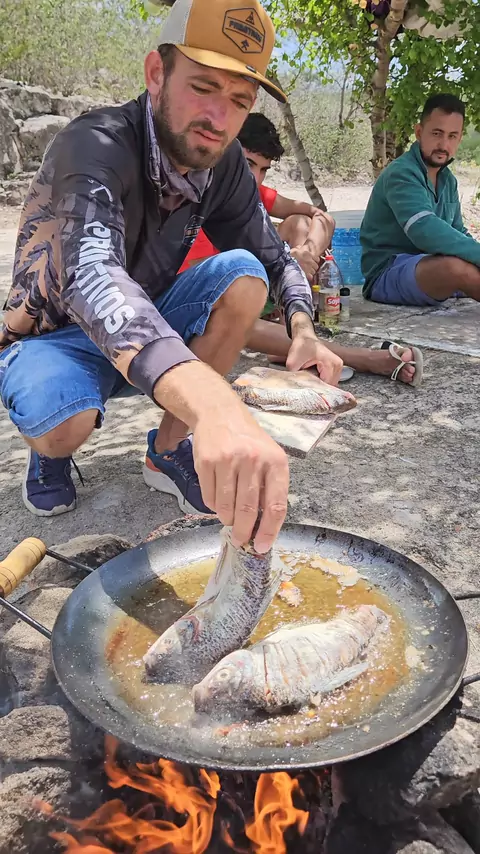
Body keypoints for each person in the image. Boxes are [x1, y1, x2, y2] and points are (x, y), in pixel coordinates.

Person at [0, 0, 347, 552]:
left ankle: (166, 450)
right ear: (156, 73)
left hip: (151, 322)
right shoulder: (93, 144)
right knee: (61, 425)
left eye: (239, 101)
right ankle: (49, 453)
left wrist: (303, 329)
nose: (218, 118)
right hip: (57, 335)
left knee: (244, 274)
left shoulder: (224, 164)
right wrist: (214, 403)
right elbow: (92, 274)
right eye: (203, 87)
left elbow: (273, 256)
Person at [181, 111, 423, 384]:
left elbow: (322, 217)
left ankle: (291, 329)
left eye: (263, 170)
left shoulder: (250, 192)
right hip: (211, 304)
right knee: (234, 308)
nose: (255, 178)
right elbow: (195, 280)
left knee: (298, 223)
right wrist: (279, 264)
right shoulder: (197, 193)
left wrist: (305, 254)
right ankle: (360, 357)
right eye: (248, 164)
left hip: (260, 291)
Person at [361, 93, 480, 306]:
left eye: (452, 136)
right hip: (388, 272)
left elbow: (458, 232)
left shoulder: (448, 180)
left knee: (464, 265)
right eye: (437, 133)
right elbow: (424, 230)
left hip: (430, 264)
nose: (443, 144)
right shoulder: (401, 172)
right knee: (455, 268)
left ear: (459, 139)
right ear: (418, 132)